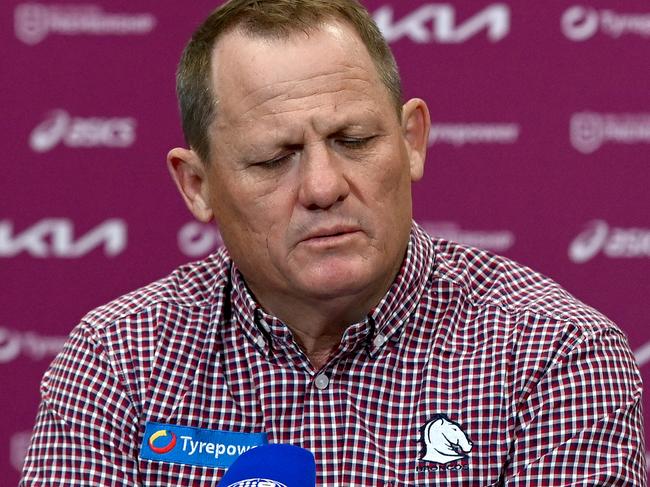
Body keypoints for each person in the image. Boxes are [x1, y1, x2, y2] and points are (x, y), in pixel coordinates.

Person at [21, 0, 645, 485]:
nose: (323, 187)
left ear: (412, 140)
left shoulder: (556, 354)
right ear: (197, 184)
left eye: (353, 140)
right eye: (274, 158)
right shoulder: (118, 360)